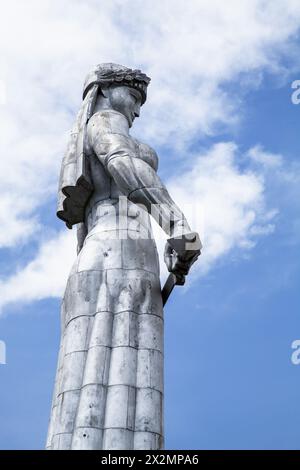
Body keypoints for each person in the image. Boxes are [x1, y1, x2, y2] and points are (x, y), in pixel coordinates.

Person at [46, 63, 200, 450]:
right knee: (111, 375)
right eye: (134, 96)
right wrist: (177, 224)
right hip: (119, 252)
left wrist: (175, 255)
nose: (137, 109)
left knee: (110, 374)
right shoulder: (105, 120)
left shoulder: (102, 124)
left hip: (117, 253)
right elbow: (122, 162)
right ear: (106, 90)